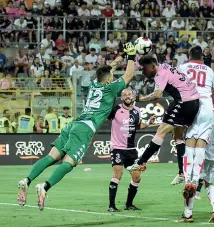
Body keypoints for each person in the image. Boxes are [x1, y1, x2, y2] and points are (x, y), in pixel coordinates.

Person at [17, 43, 136, 210]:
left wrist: (120, 57)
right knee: (69, 163)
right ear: (109, 79)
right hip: (85, 129)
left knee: (51, 157)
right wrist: (131, 55)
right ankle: (44, 186)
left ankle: (26, 180)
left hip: (72, 124)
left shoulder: (95, 84)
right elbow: (129, 75)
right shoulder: (110, 88)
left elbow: (107, 69)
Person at [127, 57, 200, 179]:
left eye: (144, 69)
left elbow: (157, 94)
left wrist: (141, 99)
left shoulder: (160, 74)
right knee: (178, 136)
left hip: (184, 102)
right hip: (193, 102)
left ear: (152, 66)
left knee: (161, 131)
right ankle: (182, 173)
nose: (143, 72)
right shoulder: (165, 66)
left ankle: (140, 163)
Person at [170, 46, 214, 194]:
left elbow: (175, 86)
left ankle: (187, 179)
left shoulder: (183, 67)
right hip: (206, 105)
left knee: (189, 144)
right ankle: (195, 179)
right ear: (202, 57)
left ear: (189, 55)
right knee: (201, 145)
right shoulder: (209, 70)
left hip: (190, 103)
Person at [107, 88, 155, 212]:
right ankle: (111, 205)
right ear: (122, 98)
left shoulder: (137, 110)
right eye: (125, 95)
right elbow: (104, 118)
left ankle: (129, 204)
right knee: (118, 175)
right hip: (117, 148)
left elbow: (138, 126)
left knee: (137, 177)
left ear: (133, 96)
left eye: (129, 94)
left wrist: (149, 122)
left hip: (131, 150)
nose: (127, 96)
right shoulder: (115, 109)